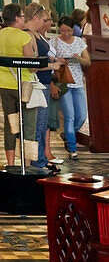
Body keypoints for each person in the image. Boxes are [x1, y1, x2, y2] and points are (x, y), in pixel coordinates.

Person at [0, 4, 38, 168]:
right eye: (22, 15)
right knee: (29, 124)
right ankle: (27, 163)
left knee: (10, 123)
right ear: (17, 18)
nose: (24, 18)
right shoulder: (23, 37)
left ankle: (10, 163)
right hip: (24, 85)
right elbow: (32, 65)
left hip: (5, 84)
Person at [24, 3, 63, 173]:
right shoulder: (29, 35)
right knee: (38, 124)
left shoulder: (38, 35)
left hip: (44, 82)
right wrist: (52, 66)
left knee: (42, 123)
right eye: (45, 20)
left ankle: (40, 159)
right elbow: (33, 63)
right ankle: (37, 162)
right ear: (35, 18)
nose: (46, 23)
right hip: (38, 83)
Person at [53, 14, 91, 159]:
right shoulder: (54, 42)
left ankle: (67, 135)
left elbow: (88, 62)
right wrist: (58, 60)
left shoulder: (79, 42)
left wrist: (78, 58)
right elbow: (50, 59)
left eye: (68, 30)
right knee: (69, 116)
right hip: (63, 82)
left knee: (81, 116)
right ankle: (72, 149)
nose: (66, 34)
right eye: (63, 31)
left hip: (78, 82)